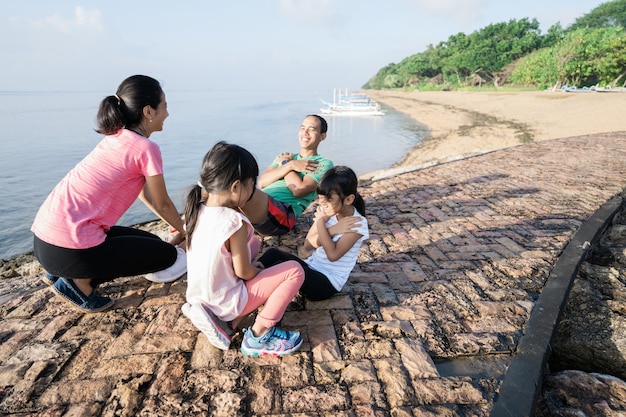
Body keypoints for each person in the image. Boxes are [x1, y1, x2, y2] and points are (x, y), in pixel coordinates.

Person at [31, 75, 187, 314]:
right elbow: (163, 203)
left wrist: (175, 227)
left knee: (155, 244)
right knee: (166, 255)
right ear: (148, 111)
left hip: (46, 245)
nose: (167, 113)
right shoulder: (146, 148)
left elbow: (147, 196)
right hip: (71, 251)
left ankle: (62, 272)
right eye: (164, 106)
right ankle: (78, 283)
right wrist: (189, 232)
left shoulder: (115, 138)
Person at [182, 141, 305, 357]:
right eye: (252, 184)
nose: (253, 191)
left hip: (200, 295)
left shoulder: (196, 210)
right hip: (226, 301)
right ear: (236, 187)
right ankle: (259, 335)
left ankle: (220, 318)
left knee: (254, 244)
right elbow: (243, 272)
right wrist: (257, 271)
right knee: (295, 271)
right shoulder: (233, 221)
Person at [258, 166, 369, 301]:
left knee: (284, 268)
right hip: (311, 266)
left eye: (328, 200)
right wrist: (333, 230)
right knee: (273, 254)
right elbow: (308, 244)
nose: (323, 204)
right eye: (321, 199)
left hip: (326, 283)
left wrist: (321, 223)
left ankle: (258, 300)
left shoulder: (356, 224)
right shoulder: (329, 212)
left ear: (348, 199)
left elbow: (333, 255)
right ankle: (243, 282)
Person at [239, 114, 333, 236]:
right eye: (303, 128)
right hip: (260, 206)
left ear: (322, 136)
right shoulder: (287, 156)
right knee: (227, 195)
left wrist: (286, 164)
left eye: (312, 129)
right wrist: (291, 164)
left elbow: (299, 190)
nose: (305, 133)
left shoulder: (322, 163)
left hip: (282, 215)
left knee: (236, 190)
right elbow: (262, 182)